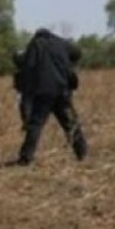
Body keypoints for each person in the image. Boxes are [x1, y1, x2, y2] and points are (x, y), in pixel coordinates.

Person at [16, 28, 88, 165]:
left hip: (43, 92)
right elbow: (77, 52)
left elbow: (29, 68)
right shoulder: (60, 43)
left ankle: (25, 158)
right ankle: (82, 153)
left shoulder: (35, 45)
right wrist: (70, 64)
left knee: (35, 125)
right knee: (70, 123)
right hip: (62, 90)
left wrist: (26, 94)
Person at [12, 49, 31, 130]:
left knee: (24, 107)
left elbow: (17, 85)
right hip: (26, 91)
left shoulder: (18, 73)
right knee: (24, 107)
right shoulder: (29, 69)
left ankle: (27, 123)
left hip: (25, 92)